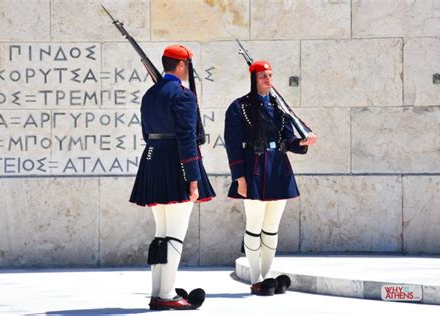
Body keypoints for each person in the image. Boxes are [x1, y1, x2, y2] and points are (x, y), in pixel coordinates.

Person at [130, 45, 215, 310]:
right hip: (176, 162)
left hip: (153, 159)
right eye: (188, 66)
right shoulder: (183, 95)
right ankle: (166, 295)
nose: (189, 71)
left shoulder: (150, 94)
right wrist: (192, 178)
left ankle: (158, 292)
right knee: (175, 234)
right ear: (180, 66)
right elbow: (187, 139)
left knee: (162, 234)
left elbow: (146, 133)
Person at [224, 60, 317, 295]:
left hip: (277, 167)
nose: (268, 79)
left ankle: (267, 277)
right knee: (254, 227)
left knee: (272, 228)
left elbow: (288, 139)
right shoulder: (240, 107)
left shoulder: (278, 107)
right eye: (263, 76)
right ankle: (256, 278)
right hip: (253, 168)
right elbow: (233, 146)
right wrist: (240, 178)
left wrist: (301, 142)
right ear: (254, 79)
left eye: (270, 75)